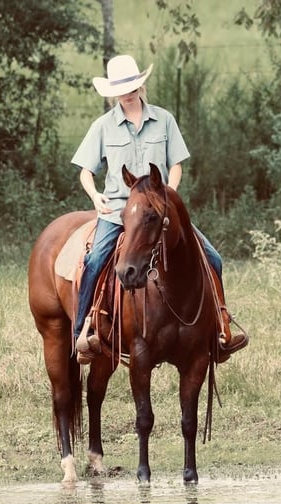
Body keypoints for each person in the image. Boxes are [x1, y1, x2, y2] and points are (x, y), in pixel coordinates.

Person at [70, 54, 248, 364]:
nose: (127, 93)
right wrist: (95, 196)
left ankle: (220, 329)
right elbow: (86, 171)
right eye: (121, 88)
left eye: (131, 85)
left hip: (161, 214)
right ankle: (83, 330)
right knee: (96, 259)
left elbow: (176, 164)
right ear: (113, 91)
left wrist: (170, 196)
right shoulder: (103, 127)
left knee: (213, 258)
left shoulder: (163, 119)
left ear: (140, 84)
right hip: (119, 212)